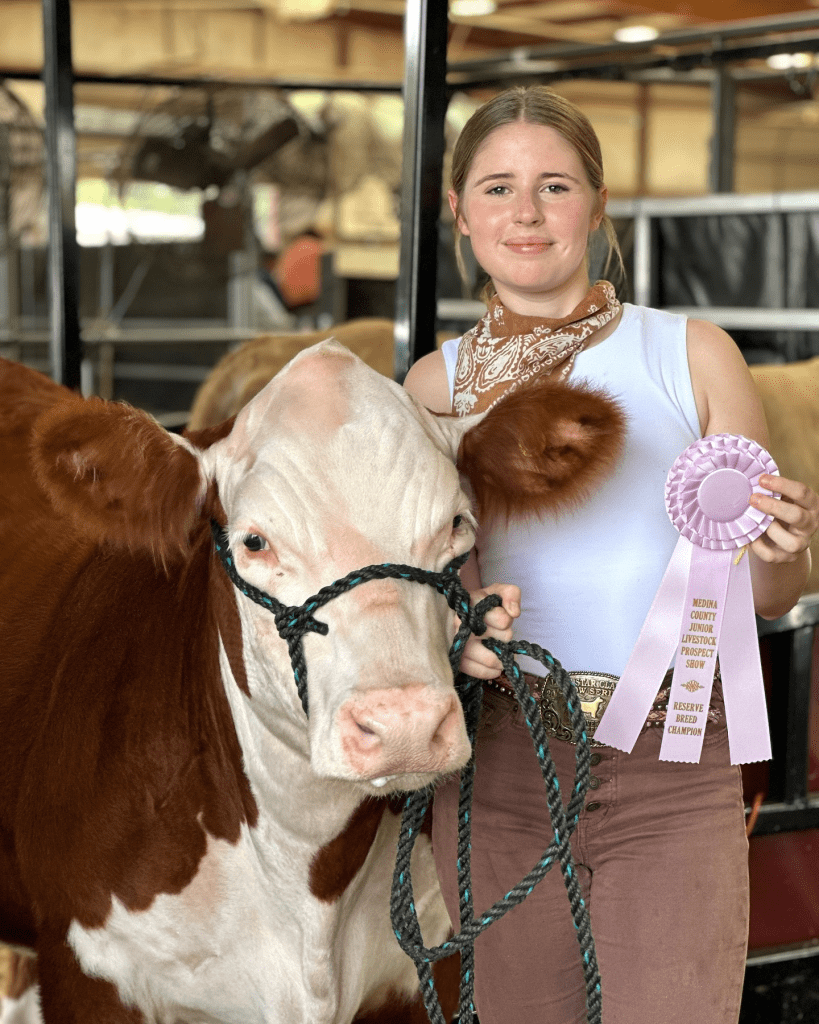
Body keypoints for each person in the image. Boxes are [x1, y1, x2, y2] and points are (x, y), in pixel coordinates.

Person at [403, 85, 819, 1024]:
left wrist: (785, 546)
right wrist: (449, 635)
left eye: (553, 185)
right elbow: (415, 592)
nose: (526, 212)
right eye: (497, 188)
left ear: (595, 203)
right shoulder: (434, 387)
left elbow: (766, 595)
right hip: (508, 762)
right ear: (459, 213)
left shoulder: (692, 353)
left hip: (675, 755)